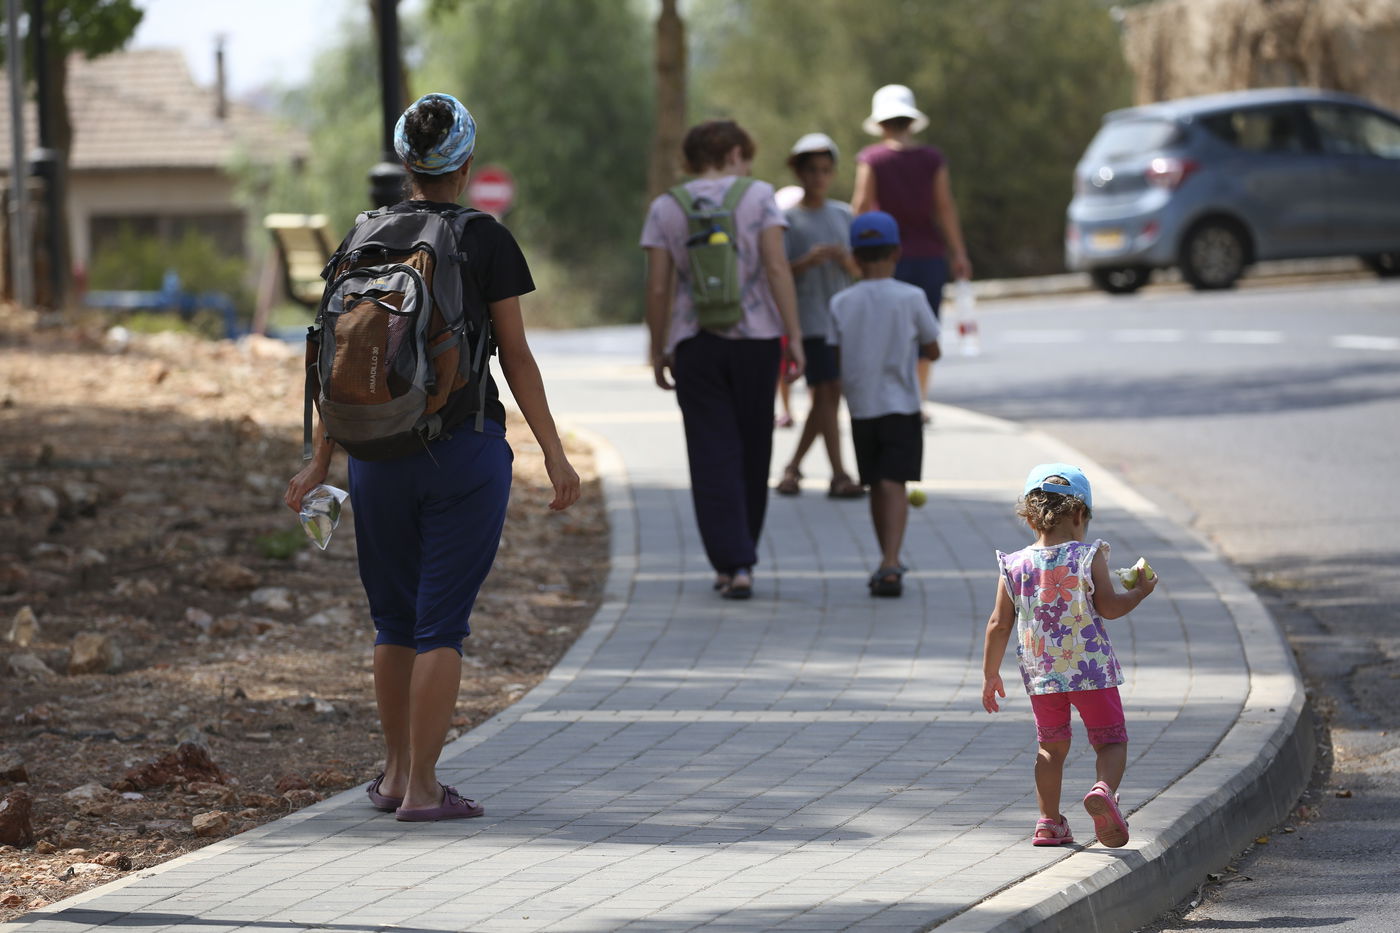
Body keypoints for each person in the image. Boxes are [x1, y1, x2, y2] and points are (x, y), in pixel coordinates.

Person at [285, 92, 580, 822]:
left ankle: (390, 775)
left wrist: (321, 459)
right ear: (467, 164)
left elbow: (339, 356)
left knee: (392, 622)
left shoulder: (363, 236)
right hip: (463, 452)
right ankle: (423, 786)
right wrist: (554, 452)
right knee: (439, 626)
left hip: (374, 452)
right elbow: (516, 356)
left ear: (407, 162)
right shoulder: (486, 238)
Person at [642, 119, 804, 600]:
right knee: (755, 450)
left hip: (696, 343)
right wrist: (792, 335)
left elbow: (657, 286)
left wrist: (658, 347)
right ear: (734, 153)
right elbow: (776, 266)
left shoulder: (666, 207)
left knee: (710, 454)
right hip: (756, 340)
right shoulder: (758, 197)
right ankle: (743, 562)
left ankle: (728, 562)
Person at [980, 463, 1159, 848]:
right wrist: (1140, 593)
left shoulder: (1013, 565)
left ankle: (1048, 822)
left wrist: (990, 674)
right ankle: (1103, 792)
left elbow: (998, 623)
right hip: (1092, 671)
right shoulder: (1087, 555)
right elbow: (1109, 607)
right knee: (1110, 741)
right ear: (1079, 515)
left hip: (1043, 675)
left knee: (1050, 747)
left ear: (1030, 517)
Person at [825, 212, 940, 597]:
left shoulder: (841, 302)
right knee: (895, 482)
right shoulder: (911, 297)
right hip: (902, 403)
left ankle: (885, 558)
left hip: (861, 407)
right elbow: (933, 347)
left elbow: (835, 355)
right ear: (897, 252)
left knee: (877, 483)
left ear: (854, 257)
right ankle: (891, 561)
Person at [851, 84, 972, 419]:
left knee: (888, 331)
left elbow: (861, 206)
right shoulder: (932, 159)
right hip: (929, 257)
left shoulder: (872, 159)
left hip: (886, 260)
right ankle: (917, 403)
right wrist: (959, 253)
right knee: (923, 329)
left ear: (881, 123)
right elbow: (944, 207)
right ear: (910, 120)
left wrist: (852, 252)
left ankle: (891, 400)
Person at [774, 133, 864, 500]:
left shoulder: (844, 214)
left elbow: (861, 269)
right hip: (809, 320)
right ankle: (840, 473)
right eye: (812, 170)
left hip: (843, 321)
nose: (819, 177)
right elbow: (776, 270)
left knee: (828, 396)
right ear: (799, 172)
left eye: (826, 170)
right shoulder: (786, 220)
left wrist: (843, 259)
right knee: (825, 392)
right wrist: (806, 262)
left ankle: (793, 468)